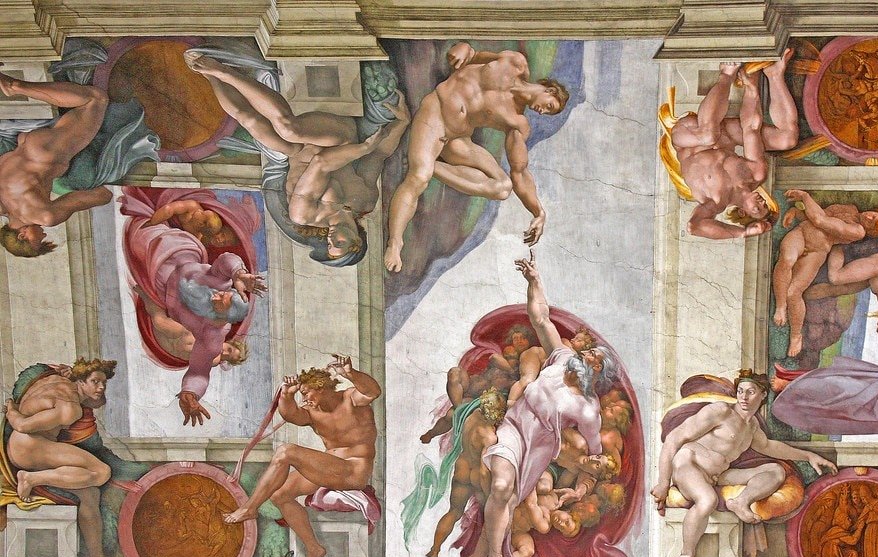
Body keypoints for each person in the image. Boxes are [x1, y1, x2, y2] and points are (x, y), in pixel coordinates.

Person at [185, 52, 410, 262]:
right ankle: (224, 71)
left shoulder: (305, 216)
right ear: (356, 241)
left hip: (296, 151)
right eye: (339, 243)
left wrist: (365, 149)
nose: (331, 240)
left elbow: (320, 164)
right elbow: (379, 155)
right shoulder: (365, 200)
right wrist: (402, 123)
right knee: (288, 129)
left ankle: (210, 76)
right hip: (339, 139)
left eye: (329, 244)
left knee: (249, 119)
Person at [478, 251, 618, 557]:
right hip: (515, 428)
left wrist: (581, 487)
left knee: (511, 499)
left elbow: (595, 454)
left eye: (592, 357)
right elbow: (541, 319)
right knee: (500, 487)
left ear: (596, 370)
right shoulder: (561, 359)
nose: (585, 355)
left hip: (540, 447)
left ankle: (500, 552)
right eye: (588, 352)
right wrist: (535, 281)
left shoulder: (588, 409)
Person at [385, 42, 570, 272]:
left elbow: (519, 171)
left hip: (457, 138)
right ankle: (395, 243)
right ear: (549, 90)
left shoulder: (518, 123)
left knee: (502, 187)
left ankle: (434, 167)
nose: (543, 112)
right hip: (436, 113)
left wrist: (538, 212)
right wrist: (465, 49)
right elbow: (476, 56)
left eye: (548, 113)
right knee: (419, 177)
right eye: (549, 106)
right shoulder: (516, 63)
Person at [650, 371, 836, 557]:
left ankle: (741, 501)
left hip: (717, 475)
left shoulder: (752, 427)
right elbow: (673, 439)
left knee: (775, 471)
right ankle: (686, 554)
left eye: (750, 392)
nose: (744, 397)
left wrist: (808, 456)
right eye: (740, 391)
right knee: (708, 500)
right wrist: (663, 483)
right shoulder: (721, 411)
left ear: (763, 395)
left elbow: (769, 447)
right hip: (689, 465)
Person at [222, 355, 380, 557]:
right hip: (332, 469)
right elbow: (290, 415)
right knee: (280, 495)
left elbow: (372, 392)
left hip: (354, 471)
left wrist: (350, 374)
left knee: (286, 452)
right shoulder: (312, 413)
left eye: (306, 393)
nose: (304, 399)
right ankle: (314, 547)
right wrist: (287, 394)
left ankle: (250, 508)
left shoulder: (351, 399)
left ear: (321, 387)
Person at [122, 195, 266, 425]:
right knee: (144, 229)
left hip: (156, 275)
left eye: (223, 302)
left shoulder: (211, 336)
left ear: (223, 315)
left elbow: (199, 372)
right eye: (227, 294)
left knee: (137, 240)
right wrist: (239, 273)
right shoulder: (220, 283)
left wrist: (190, 394)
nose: (221, 295)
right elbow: (226, 260)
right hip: (181, 249)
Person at [4, 358, 118, 557]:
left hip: (31, 445)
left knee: (90, 493)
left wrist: (75, 373)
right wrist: (11, 410)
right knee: (102, 472)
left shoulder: (59, 379)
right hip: (28, 447)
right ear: (81, 381)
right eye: (95, 382)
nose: (101, 388)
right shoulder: (70, 408)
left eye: (104, 383)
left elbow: (97, 400)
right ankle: (30, 479)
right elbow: (22, 426)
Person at [672, 50, 798, 240]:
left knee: (708, 136)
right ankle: (775, 74)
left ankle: (726, 74)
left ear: (742, 212)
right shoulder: (756, 173)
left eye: (757, 209)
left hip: (690, 136)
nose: (762, 202)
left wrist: (744, 233)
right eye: (765, 204)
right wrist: (751, 90)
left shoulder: (717, 201)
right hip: (724, 135)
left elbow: (694, 226)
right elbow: (751, 129)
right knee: (787, 139)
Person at [0, 73, 113, 257]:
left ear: (22, 235)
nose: (44, 235)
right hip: (24, 143)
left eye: (38, 240)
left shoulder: (44, 216)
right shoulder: (3, 207)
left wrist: (61, 189)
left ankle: (16, 86)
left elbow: (103, 195)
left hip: (46, 155)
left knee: (96, 99)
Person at [773, 189, 878, 357]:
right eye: (873, 215)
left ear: (870, 230)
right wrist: (797, 213)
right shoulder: (850, 208)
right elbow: (821, 214)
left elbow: (820, 220)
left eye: (871, 223)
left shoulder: (858, 231)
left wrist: (805, 197)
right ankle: (780, 306)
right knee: (787, 259)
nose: (869, 217)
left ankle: (796, 335)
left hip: (817, 251)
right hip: (801, 233)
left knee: (794, 291)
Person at [427, 387, 506, 557]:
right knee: (489, 516)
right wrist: (489, 494)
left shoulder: (470, 417)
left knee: (454, 511)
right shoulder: (490, 437)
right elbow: (484, 470)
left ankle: (435, 549)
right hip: (477, 474)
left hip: (462, 468)